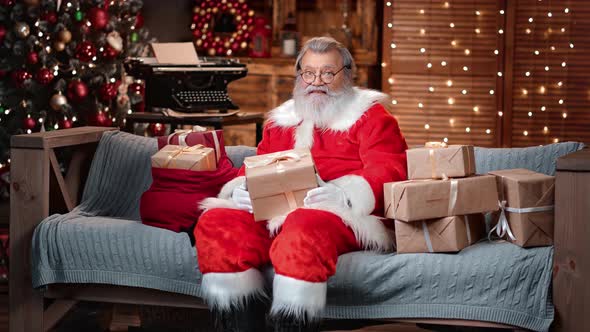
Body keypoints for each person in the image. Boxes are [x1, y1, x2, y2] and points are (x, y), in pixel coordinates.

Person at [195, 36, 408, 332]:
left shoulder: (372, 117)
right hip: (276, 209)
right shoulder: (281, 120)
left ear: (346, 76)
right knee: (218, 222)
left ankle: (293, 324)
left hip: (341, 215)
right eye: (309, 73)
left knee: (302, 226)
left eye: (327, 73)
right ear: (299, 77)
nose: (316, 82)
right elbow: (258, 163)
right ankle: (239, 323)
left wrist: (343, 194)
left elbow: (391, 169)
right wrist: (243, 188)